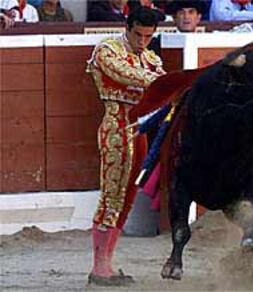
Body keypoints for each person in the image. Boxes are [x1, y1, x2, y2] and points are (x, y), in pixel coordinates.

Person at [86, 6, 166, 286]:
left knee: (128, 195)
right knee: (112, 196)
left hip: (138, 131)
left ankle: (107, 264)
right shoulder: (107, 49)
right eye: (138, 34)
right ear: (127, 26)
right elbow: (125, 74)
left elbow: (160, 89)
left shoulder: (151, 58)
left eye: (148, 36)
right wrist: (164, 83)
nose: (142, 41)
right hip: (116, 128)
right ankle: (98, 267)